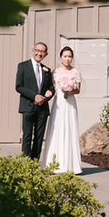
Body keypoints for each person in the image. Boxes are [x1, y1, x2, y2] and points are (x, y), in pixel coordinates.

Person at [40, 46, 82, 174]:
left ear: (72, 58)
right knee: (57, 129)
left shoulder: (76, 72)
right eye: (65, 56)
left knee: (70, 129)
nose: (67, 59)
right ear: (61, 57)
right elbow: (52, 88)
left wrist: (70, 89)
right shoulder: (55, 72)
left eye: (69, 56)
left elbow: (78, 90)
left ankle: (71, 165)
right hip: (59, 103)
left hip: (70, 104)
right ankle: (53, 163)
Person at [15, 42, 54, 159]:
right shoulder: (23, 66)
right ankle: (26, 162)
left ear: (46, 54)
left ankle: (35, 162)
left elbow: (51, 88)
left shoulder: (46, 70)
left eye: (42, 52)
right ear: (33, 50)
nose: (39, 53)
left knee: (39, 136)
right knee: (27, 135)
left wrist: (47, 96)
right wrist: (34, 96)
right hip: (28, 106)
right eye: (38, 50)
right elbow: (19, 86)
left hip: (42, 108)